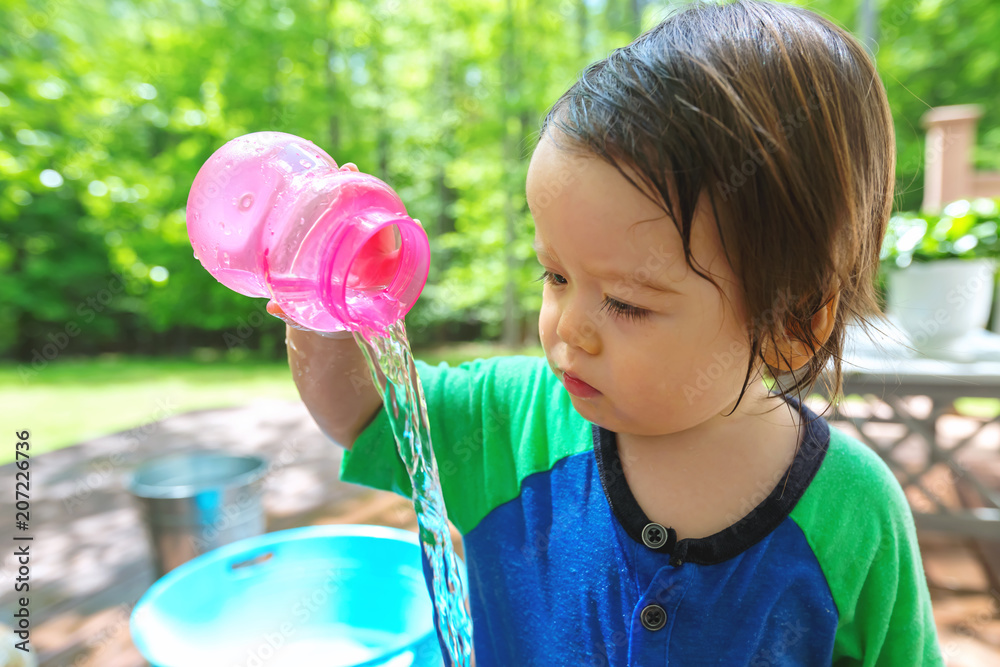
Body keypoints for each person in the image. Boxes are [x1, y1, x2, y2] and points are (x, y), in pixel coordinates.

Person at [273, 1, 944, 664]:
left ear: (792, 323)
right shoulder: (515, 422)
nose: (569, 328)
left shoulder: (852, 512)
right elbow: (361, 411)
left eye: (625, 303)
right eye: (554, 274)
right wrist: (320, 301)